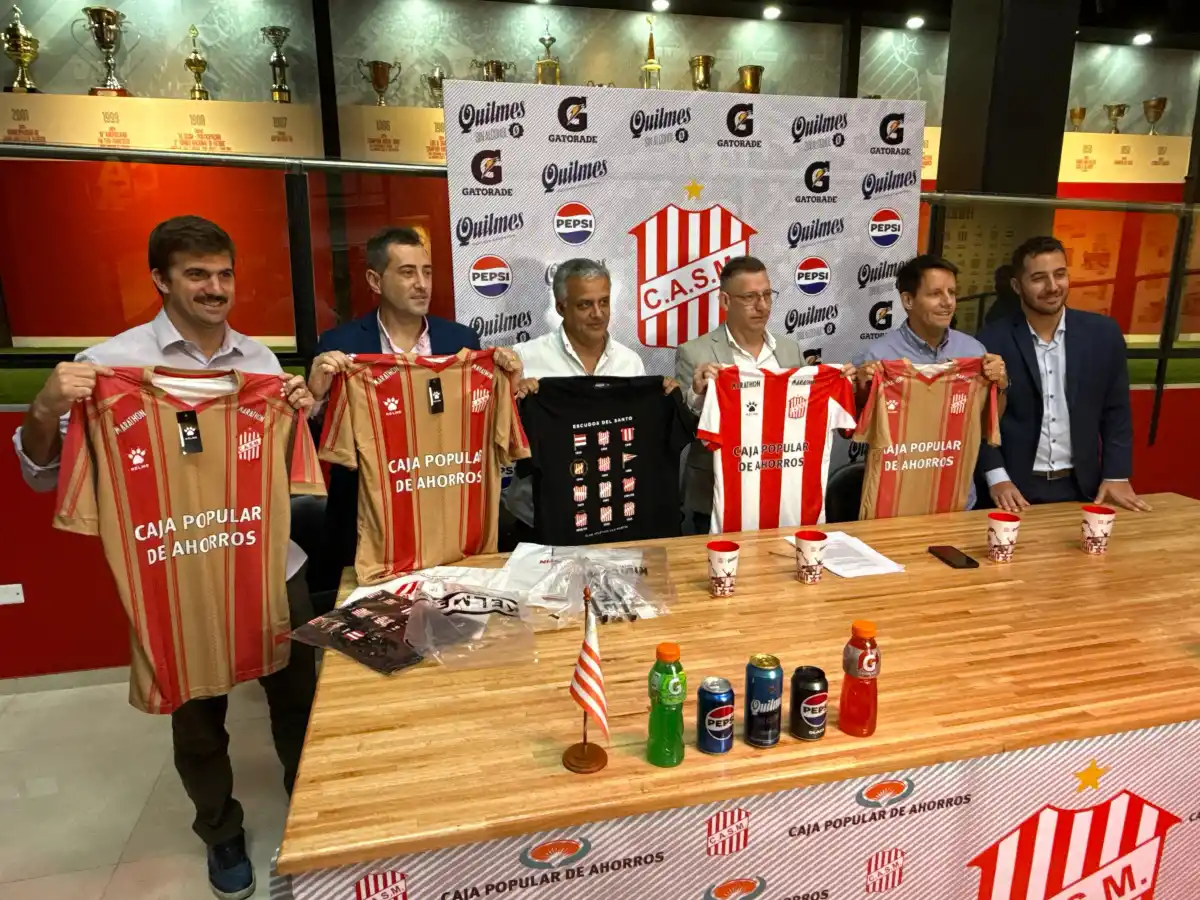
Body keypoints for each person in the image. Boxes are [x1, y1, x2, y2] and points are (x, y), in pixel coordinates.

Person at [12, 215, 316, 900]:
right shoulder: (107, 365)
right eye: (197, 274)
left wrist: (302, 405)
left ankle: (312, 811)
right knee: (197, 716)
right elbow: (40, 473)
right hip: (174, 571)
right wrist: (43, 405)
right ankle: (222, 832)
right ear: (160, 279)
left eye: (224, 274)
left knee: (299, 698)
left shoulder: (261, 363)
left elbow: (286, 461)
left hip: (270, 565)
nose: (215, 288)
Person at [305, 227, 521, 593]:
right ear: (375, 280)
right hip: (371, 525)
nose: (422, 284)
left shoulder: (461, 342)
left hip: (447, 517)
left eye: (427, 271)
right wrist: (317, 398)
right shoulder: (341, 345)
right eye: (407, 272)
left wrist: (510, 387)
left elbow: (478, 423)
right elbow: (322, 445)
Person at [505, 259, 676, 538]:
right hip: (540, 521)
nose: (598, 314)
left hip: (614, 518)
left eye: (604, 302)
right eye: (585, 304)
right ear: (561, 307)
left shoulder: (630, 362)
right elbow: (501, 439)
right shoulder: (525, 358)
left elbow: (643, 440)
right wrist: (515, 402)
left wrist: (665, 397)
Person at [979, 235, 1149, 512]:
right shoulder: (991, 340)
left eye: (1060, 274)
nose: (1052, 287)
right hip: (1011, 490)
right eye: (1038, 278)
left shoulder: (1103, 334)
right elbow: (979, 423)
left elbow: (1116, 411)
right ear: (1016, 286)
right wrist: (996, 477)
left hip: (1083, 488)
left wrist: (1116, 474)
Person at [853, 254, 1009, 509]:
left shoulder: (974, 351)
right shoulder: (879, 356)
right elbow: (859, 429)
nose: (947, 302)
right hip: (897, 501)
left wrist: (1000, 384)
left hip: (956, 499)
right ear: (908, 300)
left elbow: (988, 422)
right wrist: (861, 388)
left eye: (952, 292)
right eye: (935, 294)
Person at [675, 256, 809, 535]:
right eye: (749, 297)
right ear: (725, 301)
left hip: (781, 491)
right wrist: (697, 394)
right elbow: (683, 427)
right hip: (716, 495)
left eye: (766, 295)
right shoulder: (694, 352)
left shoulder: (791, 351)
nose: (762, 306)